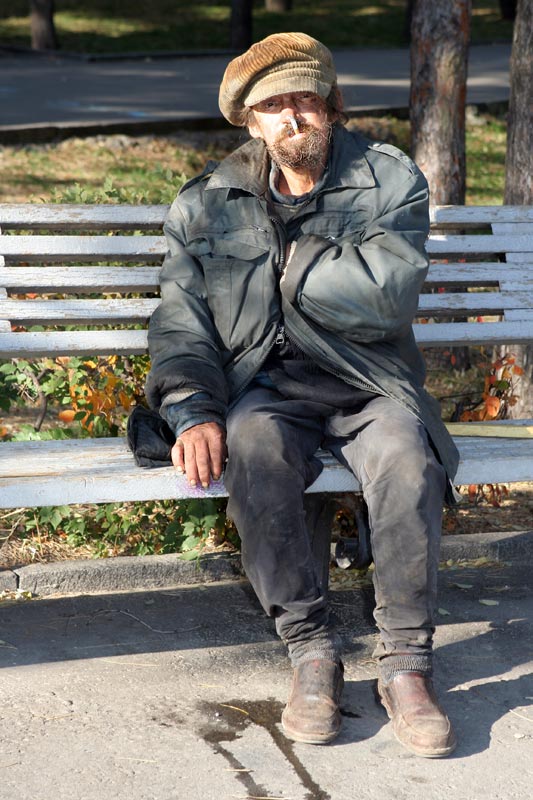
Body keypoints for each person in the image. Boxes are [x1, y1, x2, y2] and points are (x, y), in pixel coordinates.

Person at [145, 32, 459, 757]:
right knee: (252, 450)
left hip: (368, 379)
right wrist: (192, 408)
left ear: (331, 106)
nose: (292, 118)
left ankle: (406, 664)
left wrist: (289, 261)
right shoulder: (208, 202)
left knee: (407, 461)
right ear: (251, 122)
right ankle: (311, 652)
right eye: (273, 107)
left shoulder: (388, 180)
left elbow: (384, 297)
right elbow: (182, 320)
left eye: (305, 101)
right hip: (267, 385)